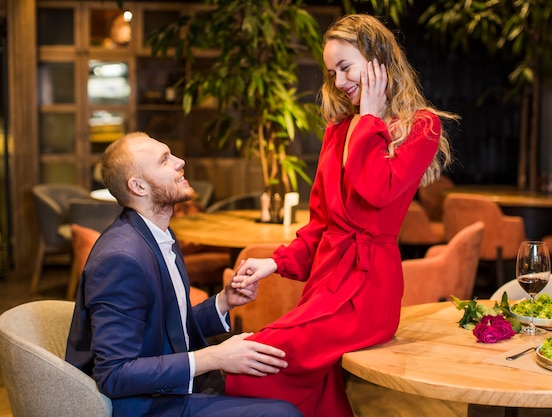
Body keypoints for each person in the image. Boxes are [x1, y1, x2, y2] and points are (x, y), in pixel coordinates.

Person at [225, 14, 457, 417]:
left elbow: (377, 189)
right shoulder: (338, 131)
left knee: (255, 359)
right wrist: (274, 262)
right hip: (325, 283)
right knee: (319, 390)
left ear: (377, 60)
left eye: (345, 67)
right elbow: (320, 223)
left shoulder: (421, 126)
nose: (339, 81)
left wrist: (369, 117)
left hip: (367, 292)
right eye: (332, 73)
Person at [65, 132, 303, 417]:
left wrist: (224, 302)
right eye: (165, 160)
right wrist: (215, 356)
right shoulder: (121, 258)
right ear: (138, 186)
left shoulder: (158, 235)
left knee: (292, 381)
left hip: (170, 388)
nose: (180, 162)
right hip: (147, 406)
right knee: (284, 413)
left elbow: (169, 329)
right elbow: (115, 375)